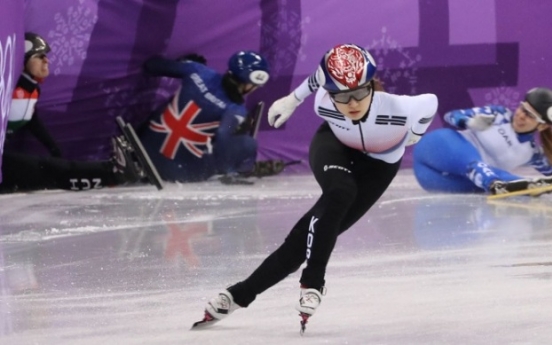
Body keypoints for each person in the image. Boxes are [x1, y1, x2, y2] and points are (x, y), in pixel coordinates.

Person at [193, 43, 438, 332]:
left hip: (379, 166)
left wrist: (416, 133)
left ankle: (239, 294)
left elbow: (430, 102)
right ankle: (313, 283)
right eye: (341, 98)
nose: (352, 104)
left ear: (371, 85)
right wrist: (291, 101)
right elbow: (316, 80)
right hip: (335, 145)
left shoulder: (402, 108)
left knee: (308, 236)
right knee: (340, 192)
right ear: (329, 94)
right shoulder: (323, 100)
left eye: (360, 93)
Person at [1, 32, 143, 193]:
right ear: (23, 60)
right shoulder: (9, 88)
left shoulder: (32, 91)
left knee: (50, 169)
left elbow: (33, 121)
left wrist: (53, 148)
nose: (46, 60)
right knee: (49, 169)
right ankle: (113, 172)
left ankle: (114, 172)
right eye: (39, 56)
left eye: (46, 56)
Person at [139, 51, 281, 184]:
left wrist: (185, 65)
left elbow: (152, 65)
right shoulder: (235, 111)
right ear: (248, 84)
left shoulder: (197, 71)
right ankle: (244, 171)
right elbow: (223, 138)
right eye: (256, 86)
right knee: (248, 144)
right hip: (177, 172)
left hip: (143, 146)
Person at [412, 87, 552, 195]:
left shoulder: (532, 153)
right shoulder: (498, 115)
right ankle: (493, 182)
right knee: (476, 164)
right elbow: (451, 116)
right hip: (434, 150)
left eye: (530, 115)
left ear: (543, 126)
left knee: (489, 179)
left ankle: (515, 183)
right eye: (522, 108)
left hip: (436, 180)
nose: (521, 116)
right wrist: (468, 121)